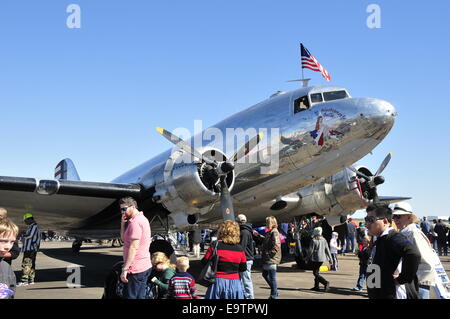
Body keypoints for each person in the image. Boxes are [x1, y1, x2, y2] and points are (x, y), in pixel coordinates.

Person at [365, 205, 421, 299]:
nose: (367, 223)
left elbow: (413, 253)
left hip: (392, 293)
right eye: (366, 219)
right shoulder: (379, 239)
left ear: (385, 221)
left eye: (371, 219)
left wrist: (403, 278)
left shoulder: (393, 237)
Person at [392, 202, 437, 299]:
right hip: (411, 282)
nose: (395, 219)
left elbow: (424, 260)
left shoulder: (413, 233)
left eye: (398, 216)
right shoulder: (406, 232)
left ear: (409, 217)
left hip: (418, 283)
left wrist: (404, 277)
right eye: (394, 216)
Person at [202, 220, 246, 299]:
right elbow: (243, 268)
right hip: (235, 283)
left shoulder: (215, 245)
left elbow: (204, 261)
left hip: (217, 282)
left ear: (222, 231)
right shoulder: (240, 248)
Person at [119, 197, 152, 299]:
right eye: (121, 209)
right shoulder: (141, 219)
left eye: (124, 209)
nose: (122, 212)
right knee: (140, 296)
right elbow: (123, 238)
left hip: (135, 269)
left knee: (130, 296)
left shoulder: (135, 223)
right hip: (144, 266)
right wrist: (122, 224)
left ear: (132, 207)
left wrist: (125, 268)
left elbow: (133, 247)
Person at [253, 216, 281, 299]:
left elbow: (277, 245)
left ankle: (274, 295)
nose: (265, 224)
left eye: (267, 222)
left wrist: (269, 254)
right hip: (268, 258)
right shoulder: (270, 232)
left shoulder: (274, 232)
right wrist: (258, 235)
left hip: (271, 258)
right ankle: (275, 291)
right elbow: (266, 240)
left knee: (272, 277)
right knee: (265, 274)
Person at [306, 227, 332, 291]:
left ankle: (325, 282)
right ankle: (316, 287)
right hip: (322, 259)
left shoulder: (313, 240)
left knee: (315, 273)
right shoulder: (324, 239)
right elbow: (327, 250)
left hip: (315, 259)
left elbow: (310, 251)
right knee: (317, 272)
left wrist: (306, 258)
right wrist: (330, 259)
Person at [236, 214, 255, 299]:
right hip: (246, 258)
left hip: (245, 259)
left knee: (246, 280)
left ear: (239, 222)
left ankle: (250, 297)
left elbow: (242, 247)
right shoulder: (247, 230)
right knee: (243, 279)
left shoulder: (244, 232)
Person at [18, 213, 41, 286]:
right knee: (31, 264)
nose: (25, 222)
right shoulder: (31, 227)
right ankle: (31, 280)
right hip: (30, 248)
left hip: (30, 248)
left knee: (26, 264)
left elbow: (30, 236)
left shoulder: (34, 227)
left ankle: (24, 280)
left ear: (30, 219)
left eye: (26, 220)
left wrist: (22, 236)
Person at [0, 218, 18, 299]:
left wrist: (6, 292)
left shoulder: (5, 267)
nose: (8, 247)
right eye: (3, 241)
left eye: (12, 242)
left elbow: (11, 288)